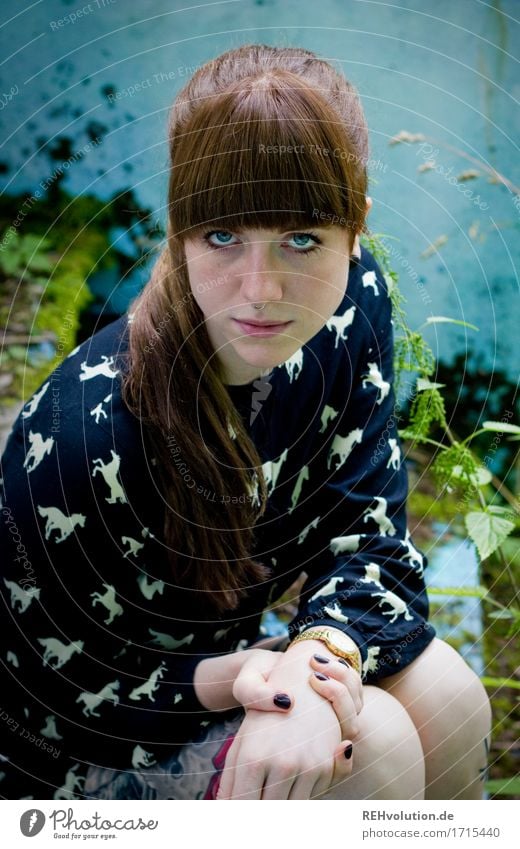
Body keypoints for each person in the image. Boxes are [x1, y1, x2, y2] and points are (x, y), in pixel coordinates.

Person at [0, 43, 490, 801]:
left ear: (355, 227)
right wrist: (246, 686)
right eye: (223, 236)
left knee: (452, 699)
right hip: (84, 755)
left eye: (302, 239)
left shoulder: (352, 306)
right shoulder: (77, 437)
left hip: (242, 659)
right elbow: (39, 698)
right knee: (377, 746)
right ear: (179, 229)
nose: (260, 291)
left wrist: (320, 651)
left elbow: (368, 540)